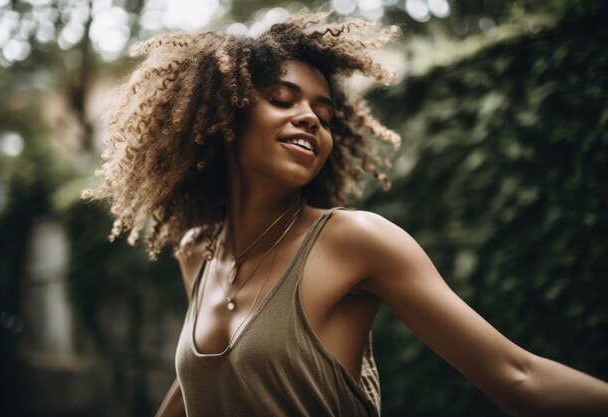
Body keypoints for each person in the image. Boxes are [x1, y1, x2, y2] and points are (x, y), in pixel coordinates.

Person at [82, 12, 608, 417]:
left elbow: (517, 377)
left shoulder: (355, 240)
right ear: (225, 117)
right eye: (283, 99)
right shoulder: (198, 249)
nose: (309, 117)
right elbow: (209, 382)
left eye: (325, 115)